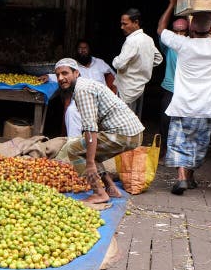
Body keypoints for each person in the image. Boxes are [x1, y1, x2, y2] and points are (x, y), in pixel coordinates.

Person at [157, 0, 211, 195]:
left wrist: (172, 4)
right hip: (209, 105)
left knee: (179, 141)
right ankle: (190, 177)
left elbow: (160, 30)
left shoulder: (183, 44)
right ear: (210, 29)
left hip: (184, 103)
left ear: (191, 30)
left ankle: (183, 177)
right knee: (199, 143)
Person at [53, 58, 144, 203]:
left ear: (76, 73)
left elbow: (90, 128)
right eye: (58, 75)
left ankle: (99, 193)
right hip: (132, 134)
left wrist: (89, 163)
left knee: (75, 150)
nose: (61, 78)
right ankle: (111, 188)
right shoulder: (83, 86)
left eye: (65, 73)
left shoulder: (82, 90)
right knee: (89, 149)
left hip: (124, 134)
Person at [112, 8, 163, 117]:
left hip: (127, 89)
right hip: (140, 87)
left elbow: (118, 64)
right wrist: (143, 64)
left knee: (124, 123)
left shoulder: (131, 41)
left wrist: (115, 59)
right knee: (136, 121)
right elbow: (158, 59)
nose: (122, 27)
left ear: (136, 23)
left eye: (125, 24)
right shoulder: (148, 39)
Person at [159, 18, 188, 149]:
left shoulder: (192, 45)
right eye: (176, 31)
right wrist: (171, 5)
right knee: (165, 121)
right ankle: (164, 149)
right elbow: (161, 29)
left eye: (182, 31)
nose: (179, 34)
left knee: (183, 122)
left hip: (186, 90)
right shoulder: (169, 46)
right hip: (170, 89)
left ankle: (178, 150)